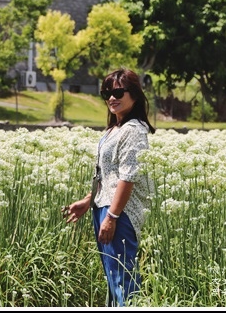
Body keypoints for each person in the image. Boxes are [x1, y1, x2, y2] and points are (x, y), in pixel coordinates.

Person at [61, 68, 155, 306]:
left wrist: (112, 216)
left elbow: (128, 177)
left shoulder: (133, 130)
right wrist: (88, 200)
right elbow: (109, 175)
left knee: (123, 279)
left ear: (133, 94)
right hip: (104, 207)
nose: (111, 98)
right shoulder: (116, 128)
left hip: (119, 212)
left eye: (118, 92)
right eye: (106, 93)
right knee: (113, 278)